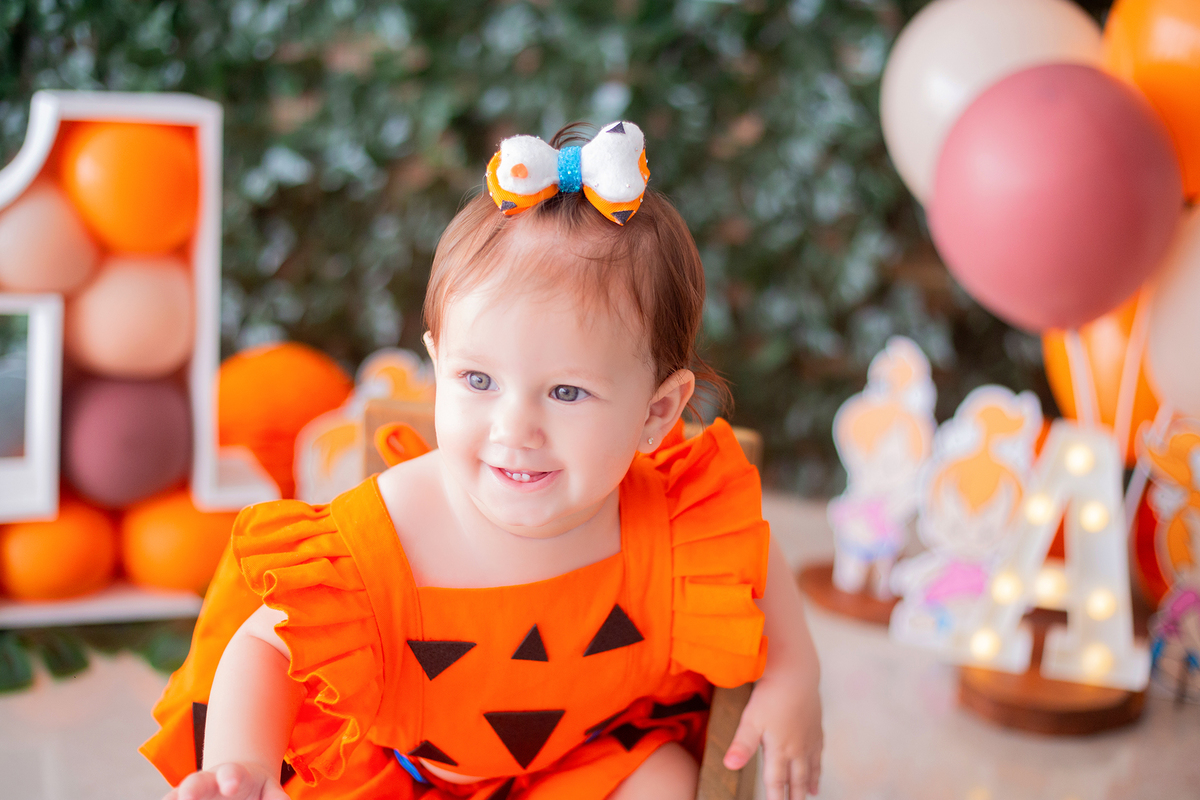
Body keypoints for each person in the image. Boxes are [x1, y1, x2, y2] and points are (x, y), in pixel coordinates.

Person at [143, 122, 822, 800]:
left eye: (566, 391)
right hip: (409, 777)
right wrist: (246, 766)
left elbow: (753, 559)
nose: (514, 428)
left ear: (655, 413)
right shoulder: (394, 529)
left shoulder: (667, 517)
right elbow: (265, 646)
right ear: (437, 364)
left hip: (574, 765)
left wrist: (794, 672)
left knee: (665, 784)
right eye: (477, 380)